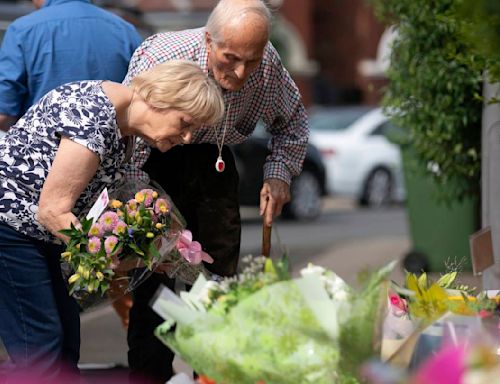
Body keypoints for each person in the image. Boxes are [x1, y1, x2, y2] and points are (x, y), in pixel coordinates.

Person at [0, 60, 224, 382]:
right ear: (160, 99)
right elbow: (53, 210)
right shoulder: (94, 115)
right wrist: (111, 257)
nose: (187, 137)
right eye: (185, 123)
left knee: (64, 340)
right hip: (11, 229)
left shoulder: (124, 129)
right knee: (41, 346)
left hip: (36, 235)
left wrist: (154, 249)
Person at [123, 0, 309, 382]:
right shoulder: (164, 55)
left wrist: (278, 175)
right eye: (230, 59)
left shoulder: (268, 64)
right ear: (209, 40)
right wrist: (139, 204)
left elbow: (292, 123)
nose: (241, 73)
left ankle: (210, 376)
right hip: (153, 163)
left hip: (215, 165)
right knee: (154, 292)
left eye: (251, 60)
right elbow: (128, 137)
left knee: (215, 289)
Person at [0, 0, 142, 132]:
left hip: (41, 149)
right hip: (108, 149)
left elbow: (4, 112)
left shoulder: (23, 29)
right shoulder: (125, 30)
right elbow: (139, 101)